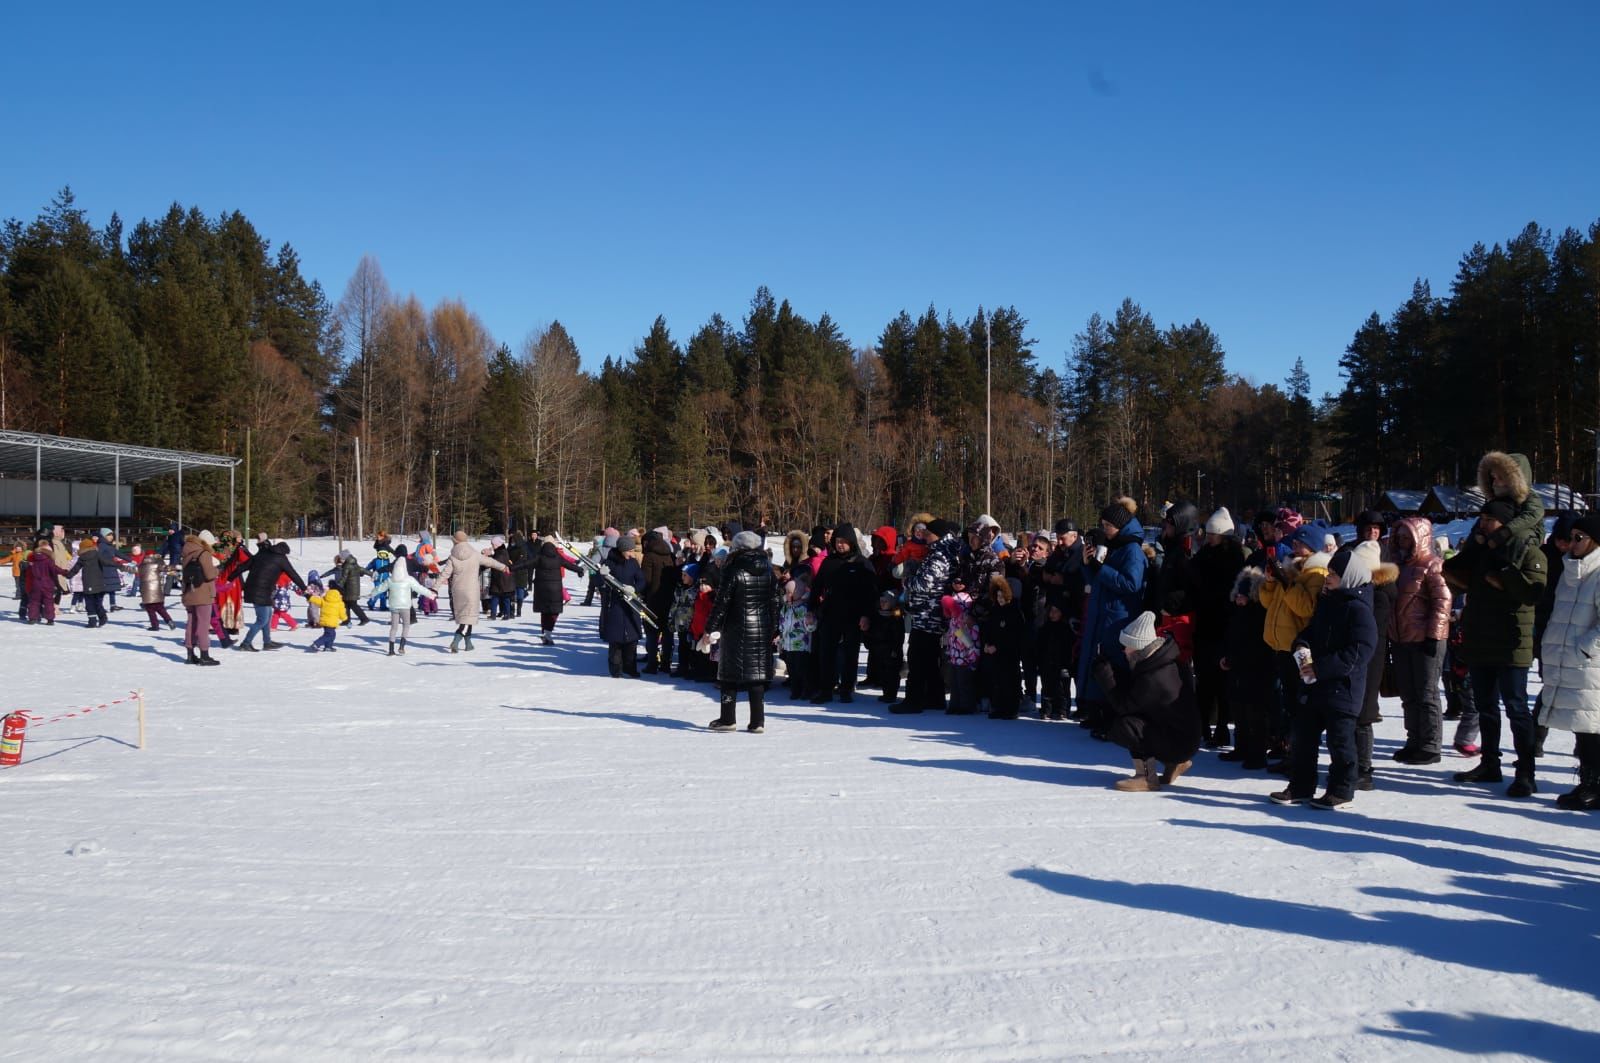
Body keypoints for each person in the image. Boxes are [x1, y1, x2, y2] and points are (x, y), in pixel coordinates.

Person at [1443, 498, 1549, 796]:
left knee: (1516, 708)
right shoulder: (1481, 551)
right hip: (1480, 640)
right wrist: (1474, 548)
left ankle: (1526, 773)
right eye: (1483, 518)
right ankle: (1490, 764)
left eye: (1490, 518)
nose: (1484, 522)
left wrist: (1504, 576)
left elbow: (1533, 593)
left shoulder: (1528, 550)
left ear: (1504, 522)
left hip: (1513, 641)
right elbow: (1453, 573)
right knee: (1486, 707)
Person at [1271, 541, 1380, 810]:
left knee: (1340, 743)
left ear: (1348, 578)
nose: (1327, 578)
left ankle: (1341, 790)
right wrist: (1302, 644)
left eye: (1333, 574)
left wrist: (1321, 667)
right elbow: (1311, 631)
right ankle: (1300, 787)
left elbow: (1360, 651)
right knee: (1303, 737)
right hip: (1316, 687)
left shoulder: (1359, 609)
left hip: (1343, 689)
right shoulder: (1327, 602)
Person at [1092, 610, 1203, 791]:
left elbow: (1124, 706)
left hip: (1180, 743)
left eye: (1127, 646)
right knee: (1143, 721)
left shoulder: (1155, 677)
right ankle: (1174, 763)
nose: (1124, 651)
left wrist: (1104, 673)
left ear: (1138, 647)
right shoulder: (1164, 661)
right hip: (1185, 738)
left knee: (1125, 726)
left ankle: (1147, 777)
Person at [1537, 515, 1600, 810]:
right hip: (1570, 661)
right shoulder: (1570, 571)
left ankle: (1594, 785)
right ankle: (1588, 783)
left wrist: (1583, 650)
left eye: (1579, 538)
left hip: (1590, 665)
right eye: (1571, 536)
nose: (1572, 543)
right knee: (1582, 727)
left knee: (1591, 728)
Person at [1076, 498, 1148, 737]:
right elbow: (1097, 580)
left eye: (1107, 525)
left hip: (1119, 619)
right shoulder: (1113, 546)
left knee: (1115, 670)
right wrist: (1088, 565)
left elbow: (1131, 584)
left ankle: (1115, 722)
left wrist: (1101, 569)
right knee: (1101, 667)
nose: (1104, 529)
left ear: (1120, 525)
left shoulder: (1132, 551)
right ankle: (1098, 714)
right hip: (1103, 616)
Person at [1388, 516, 1451, 765]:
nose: (1403, 541)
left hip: (1425, 639)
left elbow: (1442, 601)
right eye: (1400, 536)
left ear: (1420, 538)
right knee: (1408, 694)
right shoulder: (1396, 566)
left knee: (1426, 693)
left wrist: (1434, 635)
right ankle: (1413, 739)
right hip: (1401, 637)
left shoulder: (1432, 565)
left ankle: (1431, 744)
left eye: (1407, 536)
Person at [705, 530, 780, 732]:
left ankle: (727, 718)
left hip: (736, 627)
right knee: (756, 675)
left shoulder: (732, 568)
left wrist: (710, 627)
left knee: (729, 674)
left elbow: (722, 602)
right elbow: (775, 600)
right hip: (762, 627)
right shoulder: (768, 569)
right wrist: (774, 626)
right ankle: (758, 721)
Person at [895, 519, 962, 714]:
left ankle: (913, 700)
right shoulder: (946, 551)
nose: (924, 536)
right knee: (931, 659)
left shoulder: (939, 555)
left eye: (928, 533)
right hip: (933, 613)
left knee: (917, 657)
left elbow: (924, 584)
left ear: (938, 535)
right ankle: (934, 697)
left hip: (927, 614)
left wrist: (908, 581)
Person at [808, 522, 878, 704]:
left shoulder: (862, 563)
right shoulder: (829, 562)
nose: (840, 545)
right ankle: (826, 689)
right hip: (830, 613)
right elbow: (817, 586)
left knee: (850, 654)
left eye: (844, 541)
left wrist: (866, 615)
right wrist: (811, 608)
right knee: (826, 652)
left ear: (851, 543)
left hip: (853, 615)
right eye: (838, 541)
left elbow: (871, 592)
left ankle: (846, 688)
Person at [1220, 566, 1273, 768]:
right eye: (1237, 596)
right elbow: (1231, 638)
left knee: (1256, 712)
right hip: (1238, 668)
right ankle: (1241, 748)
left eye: (1243, 596)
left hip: (1257, 668)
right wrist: (1226, 657)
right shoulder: (1236, 613)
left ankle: (1257, 753)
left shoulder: (1258, 614)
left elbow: (1256, 645)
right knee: (1239, 709)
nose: (1239, 599)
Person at [438, 531, 510, 652]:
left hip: (457, 590)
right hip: (471, 590)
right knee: (468, 618)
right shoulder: (474, 554)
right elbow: (491, 562)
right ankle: (456, 640)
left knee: (466, 617)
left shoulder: (452, 556)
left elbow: (444, 573)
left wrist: (434, 588)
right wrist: (503, 567)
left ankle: (468, 643)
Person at [230, 540, 307, 651]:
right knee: (262, 619)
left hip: (255, 589)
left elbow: (243, 566)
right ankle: (245, 643)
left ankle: (267, 642)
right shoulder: (281, 558)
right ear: (284, 552)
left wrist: (230, 577)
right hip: (261, 592)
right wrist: (304, 588)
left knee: (268, 615)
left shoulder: (261, 554)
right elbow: (293, 574)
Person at [601, 534, 648, 677]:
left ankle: (630, 668)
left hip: (630, 605)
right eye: (629, 551)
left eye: (633, 550)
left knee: (631, 640)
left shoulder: (633, 563)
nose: (632, 553)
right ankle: (615, 670)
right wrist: (600, 574)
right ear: (622, 550)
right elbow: (597, 582)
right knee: (616, 642)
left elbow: (641, 581)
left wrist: (634, 589)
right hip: (614, 605)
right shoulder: (609, 562)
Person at [531, 527, 585, 646]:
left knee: (544, 611)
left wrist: (511, 568)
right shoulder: (557, 556)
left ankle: (545, 632)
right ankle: (548, 633)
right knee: (554, 611)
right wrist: (579, 570)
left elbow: (525, 563)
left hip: (541, 588)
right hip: (555, 587)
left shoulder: (538, 556)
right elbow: (568, 564)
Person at [180, 530, 221, 665]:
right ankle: (204, 655)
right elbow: (209, 575)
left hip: (188, 593)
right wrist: (217, 570)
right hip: (203, 593)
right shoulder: (204, 553)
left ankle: (190, 655)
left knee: (191, 624)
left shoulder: (186, 552)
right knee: (203, 624)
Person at [384, 555, 437, 655]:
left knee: (394, 627)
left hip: (394, 606)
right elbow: (420, 588)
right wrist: (430, 594)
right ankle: (401, 646)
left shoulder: (390, 579)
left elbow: (380, 588)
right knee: (406, 625)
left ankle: (391, 650)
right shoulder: (409, 579)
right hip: (405, 606)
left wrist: (371, 594)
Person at [25, 537, 62, 625]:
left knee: (34, 601)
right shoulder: (49, 560)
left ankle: (32, 618)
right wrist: (65, 572)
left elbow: (28, 571)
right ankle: (50, 619)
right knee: (49, 601)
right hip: (47, 583)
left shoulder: (32, 558)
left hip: (36, 583)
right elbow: (55, 569)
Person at [137, 547, 174, 630]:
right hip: (157, 591)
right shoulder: (157, 565)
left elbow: (131, 569)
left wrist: (119, 565)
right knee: (161, 608)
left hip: (146, 593)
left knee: (150, 610)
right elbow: (166, 568)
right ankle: (169, 621)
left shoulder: (141, 566)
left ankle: (155, 625)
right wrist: (160, 559)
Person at [307, 583, 347, 652]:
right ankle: (316, 644)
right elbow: (342, 613)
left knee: (331, 634)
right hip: (331, 623)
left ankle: (328, 647)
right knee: (329, 635)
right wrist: (345, 619)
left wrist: (310, 597)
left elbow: (316, 600)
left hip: (324, 621)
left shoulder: (324, 600)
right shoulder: (339, 603)